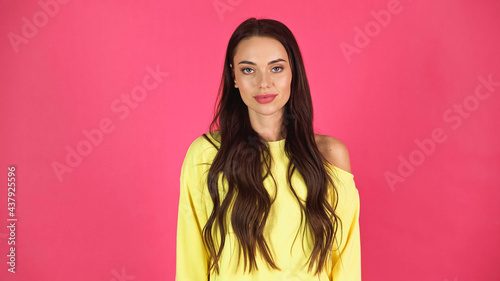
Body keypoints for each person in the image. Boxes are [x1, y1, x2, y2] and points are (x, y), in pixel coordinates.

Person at [176, 17, 361, 281]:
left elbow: (345, 260)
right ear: (234, 77)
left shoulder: (330, 156)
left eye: (276, 68)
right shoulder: (206, 155)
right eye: (248, 70)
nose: (264, 83)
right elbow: (190, 258)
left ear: (292, 73)